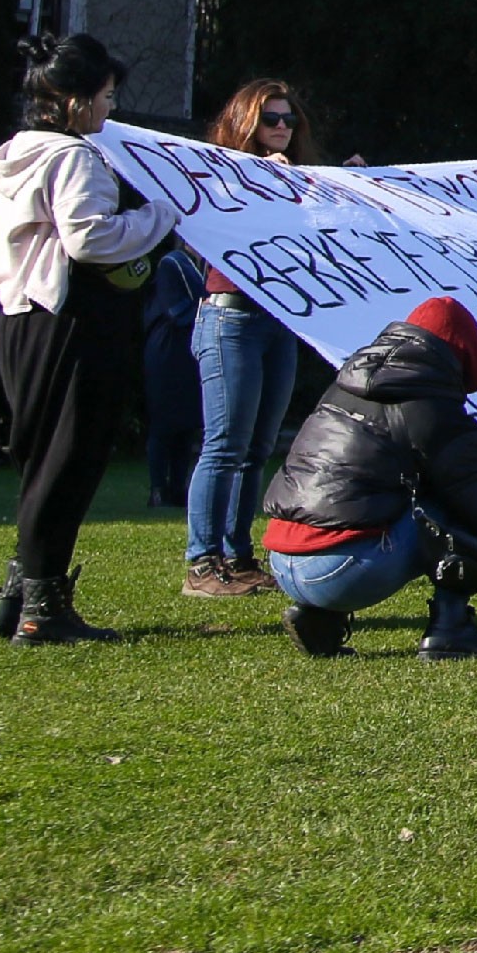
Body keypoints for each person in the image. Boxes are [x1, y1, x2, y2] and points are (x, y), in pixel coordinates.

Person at [0, 34, 189, 644]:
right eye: (103, 97)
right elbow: (91, 239)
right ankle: (43, 608)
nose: (109, 109)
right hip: (69, 319)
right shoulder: (74, 158)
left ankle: (17, 594)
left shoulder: (18, 155)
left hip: (20, 316)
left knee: (41, 458)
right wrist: (161, 214)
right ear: (73, 104)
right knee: (69, 457)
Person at [260, 296, 477, 659]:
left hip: (281, 557)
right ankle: (450, 629)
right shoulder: (431, 408)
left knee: (378, 499)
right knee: (460, 506)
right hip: (338, 569)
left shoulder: (346, 383)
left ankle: (319, 618)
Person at [181, 78, 326, 599]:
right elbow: (214, 225)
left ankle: (236, 555)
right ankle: (202, 561)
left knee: (258, 447)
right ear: (247, 124)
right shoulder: (221, 173)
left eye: (290, 120)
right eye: (272, 119)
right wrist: (272, 185)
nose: (283, 128)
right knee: (224, 445)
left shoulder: (295, 177)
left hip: (275, 320)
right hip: (231, 316)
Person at [141, 243, 207, 510]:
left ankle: (178, 488)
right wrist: (207, 306)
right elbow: (175, 310)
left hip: (190, 351)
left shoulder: (202, 266)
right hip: (168, 350)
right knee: (164, 423)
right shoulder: (172, 263)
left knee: (186, 425)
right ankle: (158, 488)